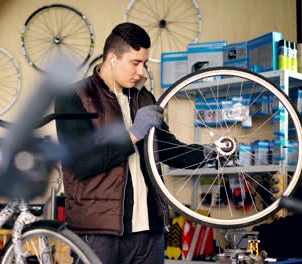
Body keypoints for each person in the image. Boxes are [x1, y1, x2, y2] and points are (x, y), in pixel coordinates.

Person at [55, 22, 207, 263]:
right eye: (135, 63)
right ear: (113, 58)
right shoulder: (75, 97)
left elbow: (166, 149)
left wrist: (209, 154)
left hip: (150, 231)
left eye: (144, 63)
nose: (142, 72)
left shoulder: (144, 97)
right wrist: (134, 134)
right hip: (99, 233)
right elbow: (82, 164)